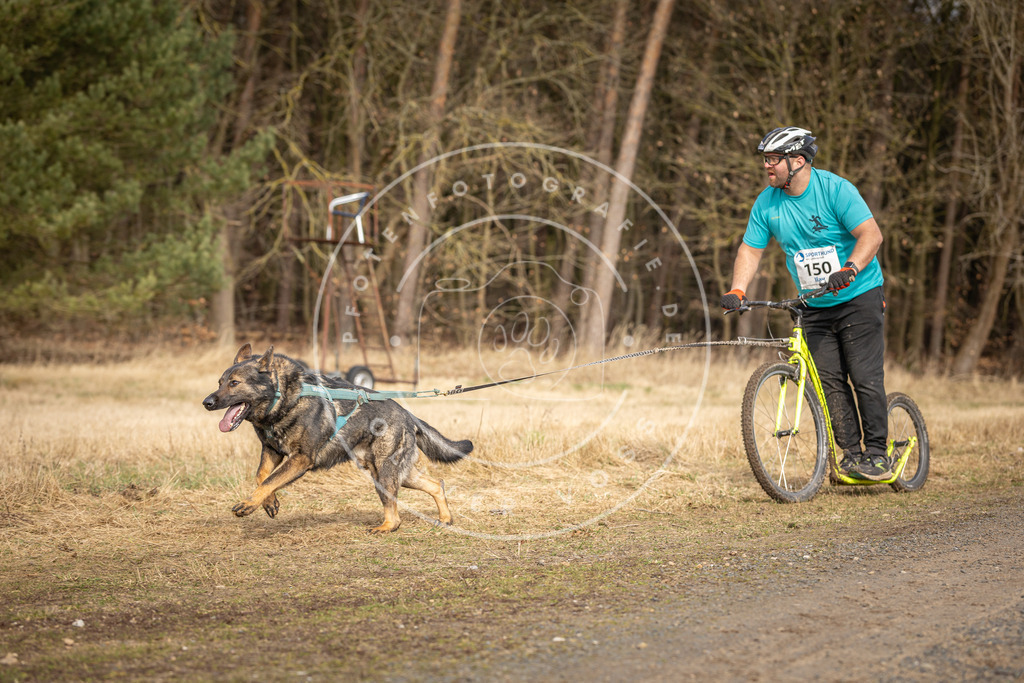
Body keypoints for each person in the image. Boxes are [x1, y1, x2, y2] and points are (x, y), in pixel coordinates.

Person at [721, 126, 890, 481]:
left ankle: (877, 454)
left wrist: (850, 268)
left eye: (773, 160)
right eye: (765, 160)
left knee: (864, 377)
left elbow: (871, 235)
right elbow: (751, 249)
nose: (767, 166)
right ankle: (851, 457)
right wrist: (737, 289)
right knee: (829, 382)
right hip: (813, 303)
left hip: (858, 295)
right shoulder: (767, 201)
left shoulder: (836, 190)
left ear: (797, 161)